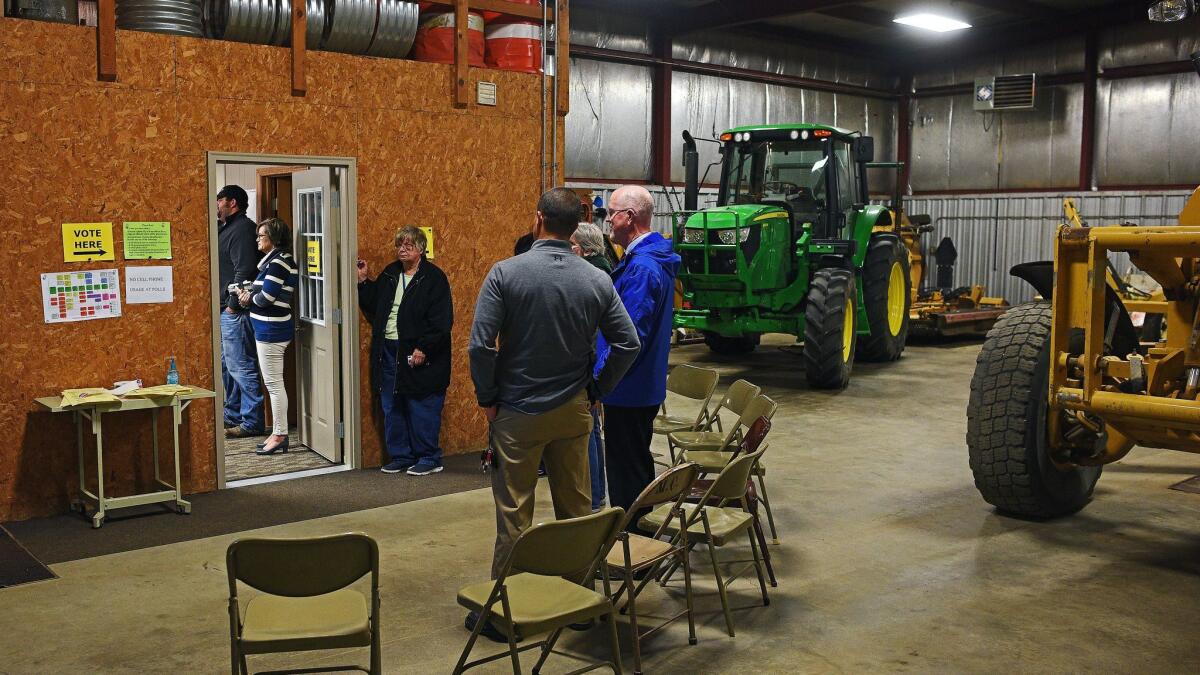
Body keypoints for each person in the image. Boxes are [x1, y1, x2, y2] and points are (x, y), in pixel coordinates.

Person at [468, 188, 640, 632]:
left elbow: (480, 345)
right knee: (576, 508)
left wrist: (487, 397)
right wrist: (598, 388)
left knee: (514, 514)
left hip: (517, 413)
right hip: (574, 410)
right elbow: (628, 343)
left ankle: (505, 614)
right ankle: (578, 601)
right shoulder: (596, 279)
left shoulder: (506, 274)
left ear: (538, 219)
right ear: (576, 225)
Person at [595, 185, 680, 523]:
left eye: (610, 213)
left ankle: (632, 543)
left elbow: (628, 339)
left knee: (624, 472)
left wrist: (598, 381)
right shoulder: (645, 260)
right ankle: (642, 533)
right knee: (634, 463)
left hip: (627, 388)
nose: (607, 222)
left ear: (628, 218)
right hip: (639, 386)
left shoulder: (643, 269)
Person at [358, 226, 453, 476]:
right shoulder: (391, 273)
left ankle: (429, 457)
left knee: (422, 405)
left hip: (420, 352)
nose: (402, 249)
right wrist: (363, 281)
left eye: (409, 245)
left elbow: (441, 321)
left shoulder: (433, 278)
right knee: (392, 403)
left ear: (421, 249)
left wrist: (424, 347)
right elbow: (373, 304)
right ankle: (401, 455)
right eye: (400, 244)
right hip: (389, 349)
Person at [236, 218, 298, 456]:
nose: (258, 239)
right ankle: (276, 432)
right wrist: (250, 293)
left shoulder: (280, 263)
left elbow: (267, 298)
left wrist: (249, 298)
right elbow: (262, 293)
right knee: (272, 382)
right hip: (266, 327)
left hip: (273, 329)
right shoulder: (273, 262)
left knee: (273, 384)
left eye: (261, 235)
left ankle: (281, 434)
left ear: (273, 238)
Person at [216, 184, 264, 439]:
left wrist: (233, 306)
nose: (216, 205)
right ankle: (233, 415)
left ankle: (252, 421)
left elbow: (244, 270)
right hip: (225, 310)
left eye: (219, 201)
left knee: (241, 365)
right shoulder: (225, 228)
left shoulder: (244, 230)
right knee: (228, 366)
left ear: (232, 203)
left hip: (235, 311)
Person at [570, 222, 612, 511]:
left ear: (582, 249)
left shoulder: (592, 276)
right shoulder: (604, 269)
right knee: (593, 431)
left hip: (591, 367)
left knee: (587, 431)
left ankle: (593, 499)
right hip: (595, 367)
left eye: (571, 245)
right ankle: (598, 495)